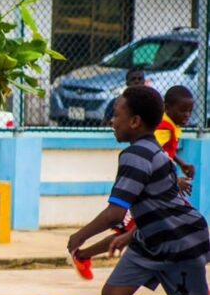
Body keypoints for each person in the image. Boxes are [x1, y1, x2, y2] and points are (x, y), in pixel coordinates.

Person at [67, 86, 210, 295]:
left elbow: (117, 211)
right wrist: (124, 237)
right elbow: (153, 204)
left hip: (178, 242)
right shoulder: (152, 150)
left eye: (116, 114)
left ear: (134, 121)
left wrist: (80, 237)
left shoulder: (135, 154)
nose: (111, 120)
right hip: (152, 238)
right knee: (114, 294)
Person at [71, 85, 195, 280]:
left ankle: (83, 255)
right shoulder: (155, 137)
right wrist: (173, 177)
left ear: (135, 122)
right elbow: (158, 154)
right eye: (183, 110)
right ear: (168, 108)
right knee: (125, 233)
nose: (187, 115)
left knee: (126, 235)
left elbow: (159, 156)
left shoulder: (150, 144)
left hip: (169, 229)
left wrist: (175, 172)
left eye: (190, 111)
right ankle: (84, 255)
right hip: (161, 214)